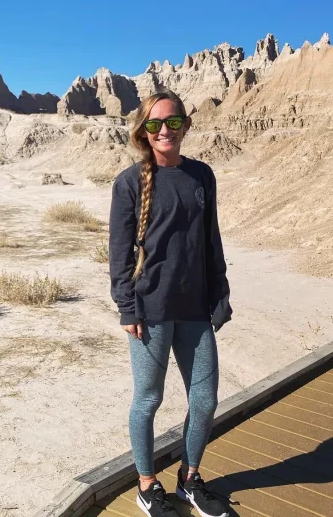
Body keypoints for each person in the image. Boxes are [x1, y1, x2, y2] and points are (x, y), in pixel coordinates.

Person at [109, 91, 232, 517]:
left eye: (174, 123)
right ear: (144, 129)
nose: (166, 131)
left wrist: (220, 291)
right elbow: (120, 254)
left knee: (205, 399)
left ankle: (189, 478)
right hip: (151, 312)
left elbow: (210, 241)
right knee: (148, 399)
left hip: (196, 309)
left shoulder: (202, 176)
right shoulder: (129, 183)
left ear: (185, 126)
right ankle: (147, 485)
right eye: (157, 123)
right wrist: (128, 307)